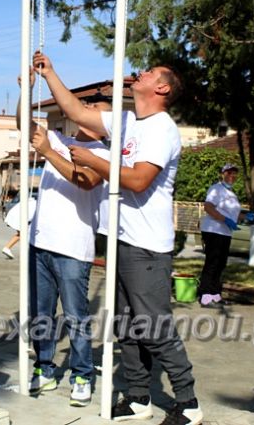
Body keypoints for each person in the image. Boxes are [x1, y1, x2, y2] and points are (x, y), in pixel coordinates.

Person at [33, 52, 202, 425]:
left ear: (161, 88)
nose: (139, 73)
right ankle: (139, 397)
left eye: (149, 72)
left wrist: (93, 161)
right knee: (126, 325)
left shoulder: (162, 128)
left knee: (154, 327)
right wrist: (50, 73)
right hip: (120, 241)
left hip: (147, 247)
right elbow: (76, 112)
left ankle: (188, 402)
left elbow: (139, 179)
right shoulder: (126, 121)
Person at [17, 73, 110, 407]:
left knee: (75, 315)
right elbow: (24, 126)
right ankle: (44, 368)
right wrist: (25, 92)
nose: (86, 111)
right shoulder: (57, 138)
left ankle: (82, 374)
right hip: (40, 242)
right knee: (42, 314)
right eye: (86, 106)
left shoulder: (104, 155)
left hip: (72, 248)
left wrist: (48, 153)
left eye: (95, 110)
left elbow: (84, 181)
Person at [198, 163, 244, 308]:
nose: (232, 176)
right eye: (229, 173)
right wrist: (224, 220)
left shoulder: (232, 194)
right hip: (213, 230)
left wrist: (245, 215)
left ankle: (215, 294)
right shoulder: (216, 189)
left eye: (234, 173)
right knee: (212, 262)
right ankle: (205, 295)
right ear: (222, 174)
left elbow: (232, 214)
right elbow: (208, 206)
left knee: (221, 263)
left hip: (225, 232)